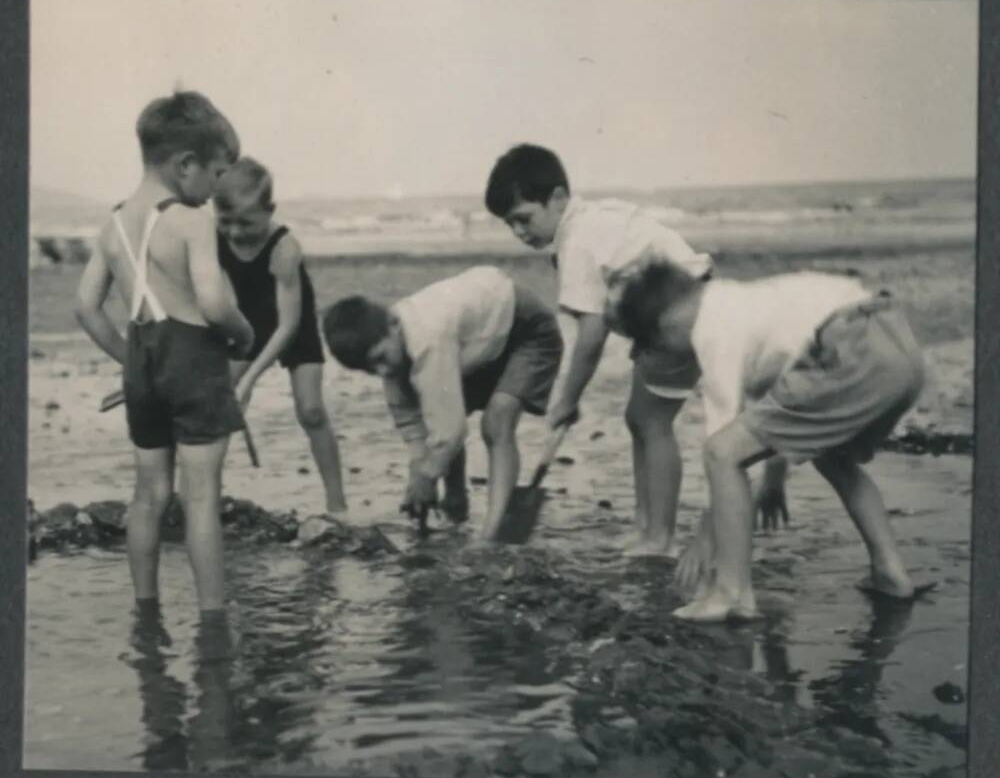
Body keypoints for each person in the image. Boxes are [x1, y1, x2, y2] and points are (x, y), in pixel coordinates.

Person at [616, 260, 925, 622]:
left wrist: (704, 536)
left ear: (667, 325)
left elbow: (724, 444)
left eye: (654, 346)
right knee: (833, 455)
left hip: (851, 349)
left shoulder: (712, 329)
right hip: (896, 343)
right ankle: (889, 571)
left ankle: (732, 593)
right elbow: (779, 411)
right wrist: (775, 479)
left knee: (721, 454)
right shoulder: (740, 302)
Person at [485, 144, 712, 556]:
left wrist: (568, 398)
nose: (519, 233)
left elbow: (592, 332)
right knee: (641, 419)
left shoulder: (577, 242)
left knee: (652, 423)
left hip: (679, 314)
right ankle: (648, 528)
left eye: (523, 219)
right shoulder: (590, 221)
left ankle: (659, 537)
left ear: (556, 199)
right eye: (509, 225)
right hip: (679, 306)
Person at [75, 91, 253, 614]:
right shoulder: (191, 219)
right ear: (186, 165)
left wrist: (127, 360)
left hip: (142, 364)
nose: (217, 189)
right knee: (201, 500)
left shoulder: (112, 225)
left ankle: (146, 608)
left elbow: (87, 309)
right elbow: (215, 304)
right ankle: (213, 617)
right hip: (194, 361)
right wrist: (244, 336)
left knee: (148, 495)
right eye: (218, 174)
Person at [322, 266, 563, 541]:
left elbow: (451, 431)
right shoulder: (392, 355)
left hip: (526, 330)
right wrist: (418, 474)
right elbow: (414, 426)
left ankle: (495, 534)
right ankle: (456, 507)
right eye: (369, 370)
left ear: (394, 325)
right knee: (438, 416)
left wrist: (429, 475)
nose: (382, 373)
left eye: (380, 359)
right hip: (477, 343)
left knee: (497, 422)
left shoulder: (427, 338)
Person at [214, 157, 349, 518]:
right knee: (220, 407)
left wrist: (252, 378)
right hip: (244, 325)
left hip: (294, 325)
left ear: (269, 210)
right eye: (226, 221)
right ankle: (206, 495)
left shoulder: (284, 247)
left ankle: (337, 504)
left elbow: (287, 326)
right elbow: (219, 299)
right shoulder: (214, 238)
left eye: (246, 222)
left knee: (311, 410)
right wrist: (233, 377)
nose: (236, 232)